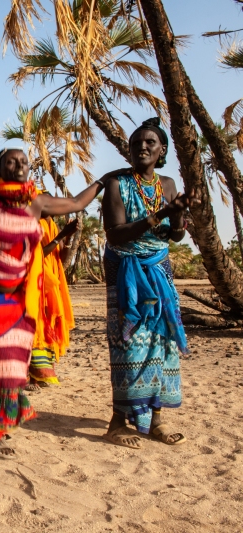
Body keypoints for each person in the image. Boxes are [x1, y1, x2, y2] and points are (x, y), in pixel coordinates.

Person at [0, 148, 107, 460]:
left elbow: (78, 203)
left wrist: (103, 182)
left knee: (11, 369)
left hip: (17, 299)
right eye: (11, 161)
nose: (19, 165)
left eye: (24, 161)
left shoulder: (37, 202)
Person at [101, 117, 195, 449]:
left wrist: (179, 215)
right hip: (125, 269)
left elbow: (176, 235)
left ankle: (155, 420)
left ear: (162, 150)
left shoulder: (167, 184)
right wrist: (159, 215)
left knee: (161, 342)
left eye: (150, 142)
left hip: (159, 268)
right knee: (128, 344)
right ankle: (117, 422)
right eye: (136, 143)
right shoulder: (116, 183)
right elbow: (115, 232)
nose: (142, 146)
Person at [27, 212, 77, 390]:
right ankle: (31, 376)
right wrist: (62, 235)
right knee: (36, 326)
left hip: (53, 280)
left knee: (49, 325)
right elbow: (39, 253)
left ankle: (43, 373)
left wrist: (68, 238)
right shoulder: (33, 223)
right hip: (39, 280)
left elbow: (60, 257)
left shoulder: (52, 226)